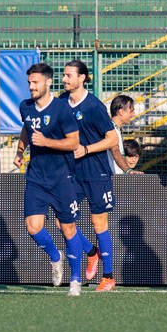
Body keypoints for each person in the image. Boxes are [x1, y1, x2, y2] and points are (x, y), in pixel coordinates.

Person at [14, 62, 84, 296]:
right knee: (33, 227)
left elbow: (74, 142)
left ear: (48, 82)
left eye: (35, 82)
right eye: (29, 83)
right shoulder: (25, 106)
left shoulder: (62, 110)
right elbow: (27, 129)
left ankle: (75, 281)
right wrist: (20, 150)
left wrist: (48, 142)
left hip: (62, 178)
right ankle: (56, 257)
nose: (31, 87)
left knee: (68, 228)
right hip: (36, 178)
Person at [60, 60, 119, 291]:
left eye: (68, 75)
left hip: (96, 172)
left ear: (82, 78)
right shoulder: (61, 103)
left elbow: (112, 139)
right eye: (63, 75)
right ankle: (91, 252)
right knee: (62, 219)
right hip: (71, 173)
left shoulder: (94, 106)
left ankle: (108, 277)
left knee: (99, 223)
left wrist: (86, 149)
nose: (64, 79)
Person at [108, 95, 144, 175]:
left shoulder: (116, 129)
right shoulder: (111, 129)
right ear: (120, 112)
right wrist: (128, 170)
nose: (134, 114)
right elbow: (115, 152)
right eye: (131, 111)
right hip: (110, 180)